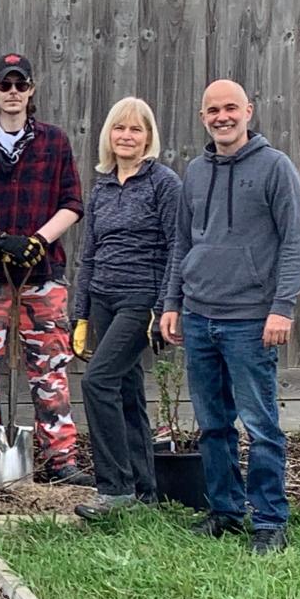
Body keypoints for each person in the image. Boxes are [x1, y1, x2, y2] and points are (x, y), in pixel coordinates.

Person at [161, 79, 300, 554]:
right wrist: (172, 303)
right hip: (200, 317)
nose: (222, 117)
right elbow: (182, 244)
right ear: (203, 116)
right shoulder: (196, 172)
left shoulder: (274, 168)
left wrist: (281, 307)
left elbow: (295, 243)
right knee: (213, 424)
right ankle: (225, 511)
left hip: (251, 320)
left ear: (249, 110)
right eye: (212, 110)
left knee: (260, 425)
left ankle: (269, 519)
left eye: (230, 108)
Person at [0, 52, 93, 492]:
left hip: (43, 274)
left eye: (20, 85)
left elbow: (72, 202)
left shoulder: (54, 142)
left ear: (31, 90)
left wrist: (38, 240)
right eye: (5, 85)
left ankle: (60, 457)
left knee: (50, 368)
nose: (13, 93)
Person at [69, 97, 181, 520]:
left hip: (140, 300)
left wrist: (166, 305)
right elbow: (90, 254)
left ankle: (114, 490)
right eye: (120, 129)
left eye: (136, 130)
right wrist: (80, 314)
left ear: (148, 137)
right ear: (108, 137)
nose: (127, 136)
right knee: (128, 393)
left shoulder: (164, 183)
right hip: (103, 299)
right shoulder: (101, 186)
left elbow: (176, 248)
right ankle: (144, 490)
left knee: (97, 383)